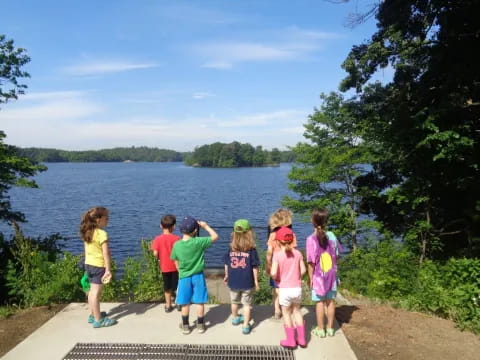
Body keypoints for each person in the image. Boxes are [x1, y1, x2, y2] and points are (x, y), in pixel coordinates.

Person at [170, 216, 218, 335]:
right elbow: (215, 236)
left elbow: (174, 259)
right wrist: (205, 226)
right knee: (199, 301)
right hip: (198, 276)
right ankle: (201, 325)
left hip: (184, 277)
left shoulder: (177, 245)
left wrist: (179, 270)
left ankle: (185, 326)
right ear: (195, 231)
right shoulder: (199, 242)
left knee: (185, 302)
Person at [80, 206, 117, 328]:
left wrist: (86, 266)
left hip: (89, 264)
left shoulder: (87, 232)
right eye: (106, 218)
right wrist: (108, 269)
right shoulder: (102, 234)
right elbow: (106, 253)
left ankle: (93, 314)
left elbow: (86, 250)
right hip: (98, 266)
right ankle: (98, 320)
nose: (108, 220)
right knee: (96, 293)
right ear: (98, 220)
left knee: (91, 291)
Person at [307, 209, 341, 338]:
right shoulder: (332, 236)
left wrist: (310, 278)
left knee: (320, 302)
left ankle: (321, 329)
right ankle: (330, 328)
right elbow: (336, 256)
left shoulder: (311, 239)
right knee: (330, 301)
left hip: (318, 277)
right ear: (326, 222)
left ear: (313, 222)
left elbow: (311, 262)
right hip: (331, 275)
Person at [271, 226, 307, 349]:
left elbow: (273, 273)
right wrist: (297, 277)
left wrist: (276, 278)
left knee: (286, 313)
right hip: (296, 288)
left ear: (277, 241)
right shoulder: (297, 253)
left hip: (284, 289)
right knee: (297, 311)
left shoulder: (277, 255)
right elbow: (303, 270)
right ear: (292, 240)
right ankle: (301, 340)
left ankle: (291, 341)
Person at [223, 219, 260, 335]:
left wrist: (227, 275)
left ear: (233, 234)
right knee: (247, 304)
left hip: (233, 281)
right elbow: (254, 267)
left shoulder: (231, 248)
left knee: (234, 302)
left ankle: (235, 318)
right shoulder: (251, 250)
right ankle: (245, 325)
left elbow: (227, 264)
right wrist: (256, 281)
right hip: (247, 282)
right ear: (249, 233)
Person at [265, 208, 298, 319]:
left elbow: (269, 252)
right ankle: (288, 308)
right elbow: (294, 251)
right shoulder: (292, 234)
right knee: (287, 287)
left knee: (276, 289)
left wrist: (268, 265)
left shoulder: (273, 235)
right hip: (289, 266)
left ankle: (277, 310)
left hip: (276, 266)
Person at [151, 214, 181, 312]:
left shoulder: (157, 239)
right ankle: (179, 303)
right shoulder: (177, 239)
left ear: (161, 226)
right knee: (177, 286)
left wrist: (160, 256)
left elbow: (155, 253)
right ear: (174, 226)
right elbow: (180, 253)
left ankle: (168, 306)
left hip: (164, 267)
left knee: (167, 287)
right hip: (176, 267)